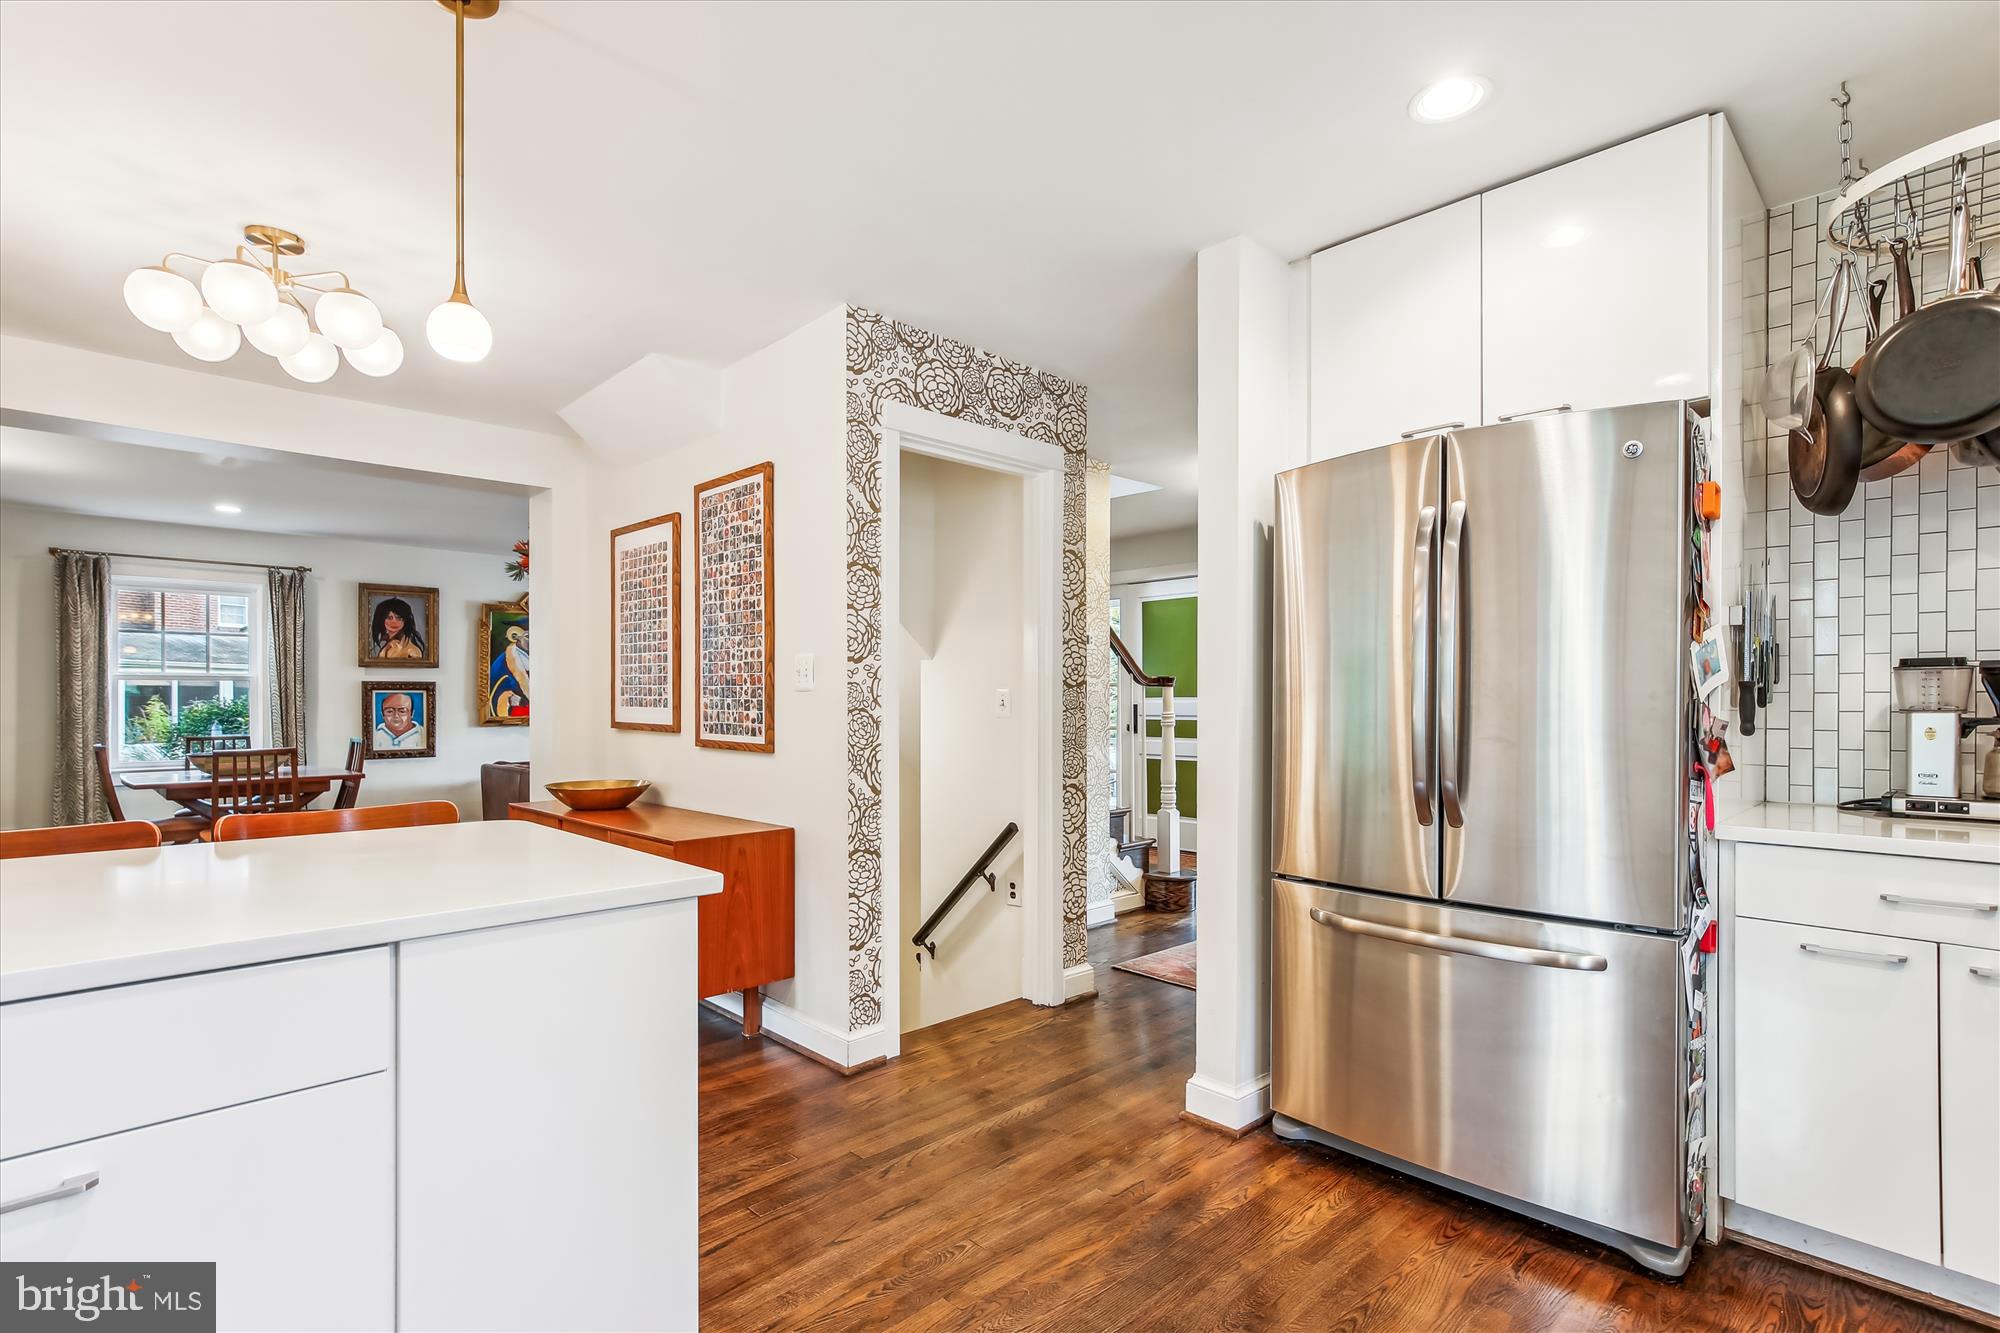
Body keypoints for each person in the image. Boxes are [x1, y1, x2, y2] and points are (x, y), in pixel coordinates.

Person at [488, 622, 530, 719]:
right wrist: (514, 700)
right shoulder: (503, 662)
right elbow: (494, 693)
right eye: (528, 636)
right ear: (516, 637)